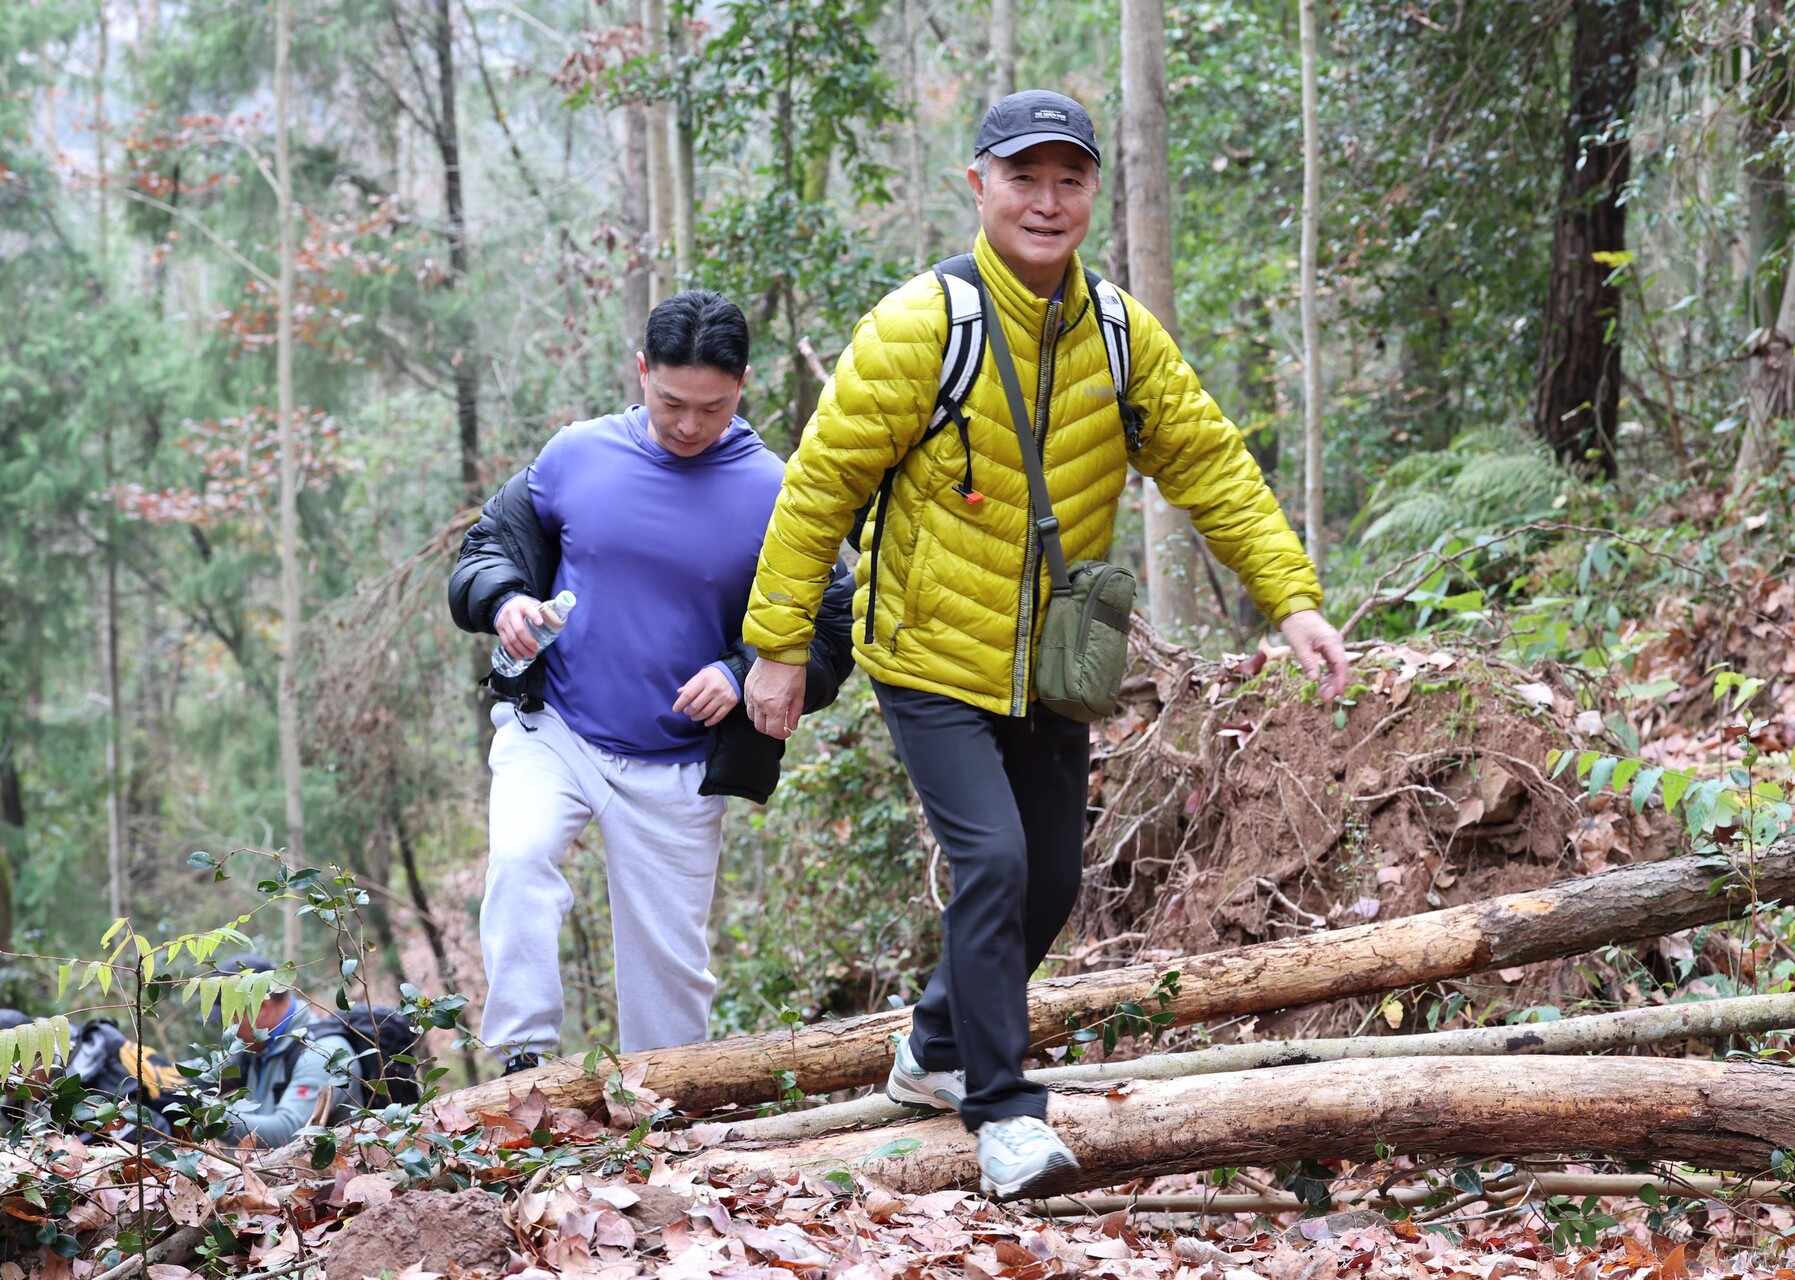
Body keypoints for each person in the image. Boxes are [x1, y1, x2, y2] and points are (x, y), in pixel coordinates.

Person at [740, 90, 1349, 1199]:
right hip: (929, 651)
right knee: (995, 861)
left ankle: (930, 1049)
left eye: (1069, 180)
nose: (1047, 200)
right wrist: (779, 645)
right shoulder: (920, 327)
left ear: (1091, 196)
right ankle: (1003, 1110)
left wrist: (1291, 597)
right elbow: (816, 492)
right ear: (978, 185)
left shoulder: (1119, 332)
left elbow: (1209, 461)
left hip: (1063, 649)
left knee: (1055, 877)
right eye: (1025, 177)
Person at [447, 290, 854, 1072]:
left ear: (743, 386)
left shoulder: (777, 492)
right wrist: (506, 600)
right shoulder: (575, 454)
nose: (689, 424)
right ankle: (523, 1068)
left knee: (669, 990)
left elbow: (833, 622)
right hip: (555, 728)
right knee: (521, 859)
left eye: (711, 405)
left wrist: (741, 672)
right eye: (671, 401)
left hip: (678, 763)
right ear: (641, 371)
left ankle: (662, 1124)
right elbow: (487, 547)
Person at [209, 953, 360, 1147]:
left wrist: (207, 1114)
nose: (228, 1029)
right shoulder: (255, 1045)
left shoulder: (323, 1055)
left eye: (228, 1018)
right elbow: (202, 1073)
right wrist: (160, 1076)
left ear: (260, 1007)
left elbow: (290, 1131)